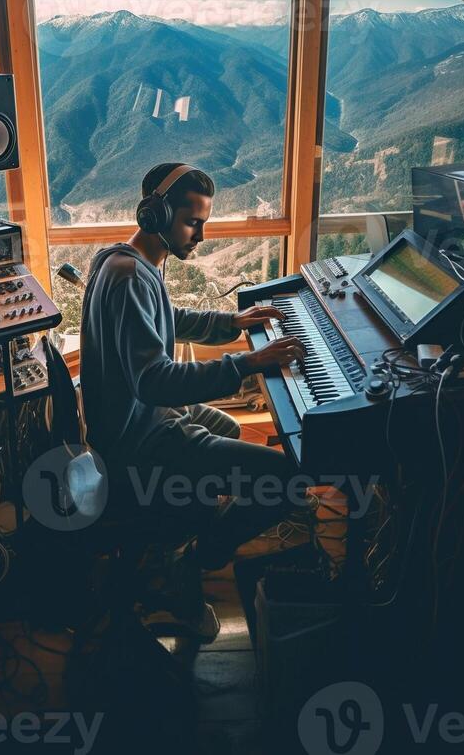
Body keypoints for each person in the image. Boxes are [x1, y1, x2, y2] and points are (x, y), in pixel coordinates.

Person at [80, 163, 307, 637]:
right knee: (286, 479)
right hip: (141, 440)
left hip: (135, 423)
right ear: (155, 214)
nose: (201, 235)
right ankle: (199, 554)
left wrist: (232, 324)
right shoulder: (130, 279)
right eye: (192, 221)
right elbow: (155, 382)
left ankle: (178, 537)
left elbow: (169, 317)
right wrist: (247, 364)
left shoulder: (122, 261)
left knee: (226, 428)